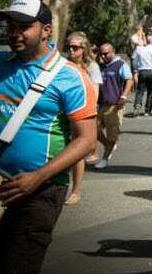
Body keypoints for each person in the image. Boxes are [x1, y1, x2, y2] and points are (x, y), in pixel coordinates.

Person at [0, 0, 97, 273]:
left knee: (19, 265)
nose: (14, 33)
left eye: (24, 26)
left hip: (40, 190)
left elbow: (86, 140)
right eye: (11, 26)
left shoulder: (70, 77)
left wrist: (38, 176)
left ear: (46, 30)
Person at [63, 31, 102, 205]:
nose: (71, 50)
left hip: (82, 113)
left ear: (84, 48)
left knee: (77, 152)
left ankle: (76, 191)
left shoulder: (91, 67)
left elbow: (95, 92)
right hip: (63, 112)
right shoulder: (63, 65)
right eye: (69, 47)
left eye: (75, 47)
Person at [95, 43, 133, 169]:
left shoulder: (121, 65)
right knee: (94, 130)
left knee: (112, 134)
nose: (103, 56)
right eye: (101, 54)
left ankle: (105, 159)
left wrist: (123, 96)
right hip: (101, 104)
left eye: (106, 53)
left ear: (113, 52)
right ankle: (109, 145)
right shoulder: (100, 66)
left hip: (114, 105)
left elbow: (129, 80)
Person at [132, 35, 152, 116]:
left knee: (140, 90)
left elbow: (134, 61)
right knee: (150, 92)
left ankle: (137, 104)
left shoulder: (140, 50)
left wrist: (136, 70)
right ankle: (147, 110)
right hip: (151, 72)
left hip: (142, 71)